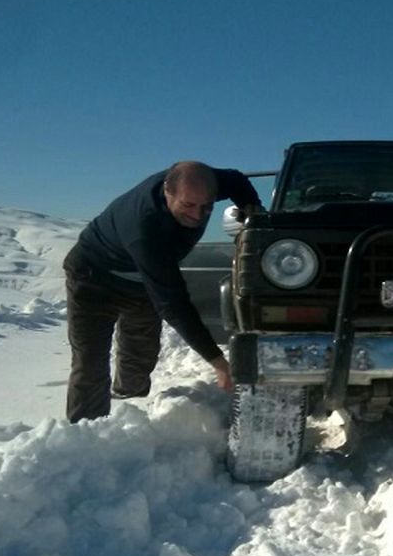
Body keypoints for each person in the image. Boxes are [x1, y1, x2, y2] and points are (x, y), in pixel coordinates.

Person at [63, 161, 262, 422]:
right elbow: (172, 302)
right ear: (168, 191)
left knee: (140, 354)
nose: (197, 216)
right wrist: (218, 363)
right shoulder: (145, 229)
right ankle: (88, 435)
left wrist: (253, 209)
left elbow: (236, 180)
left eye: (207, 207)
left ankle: (128, 411)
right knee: (91, 362)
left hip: (140, 284)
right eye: (188, 206)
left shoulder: (202, 183)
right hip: (93, 277)